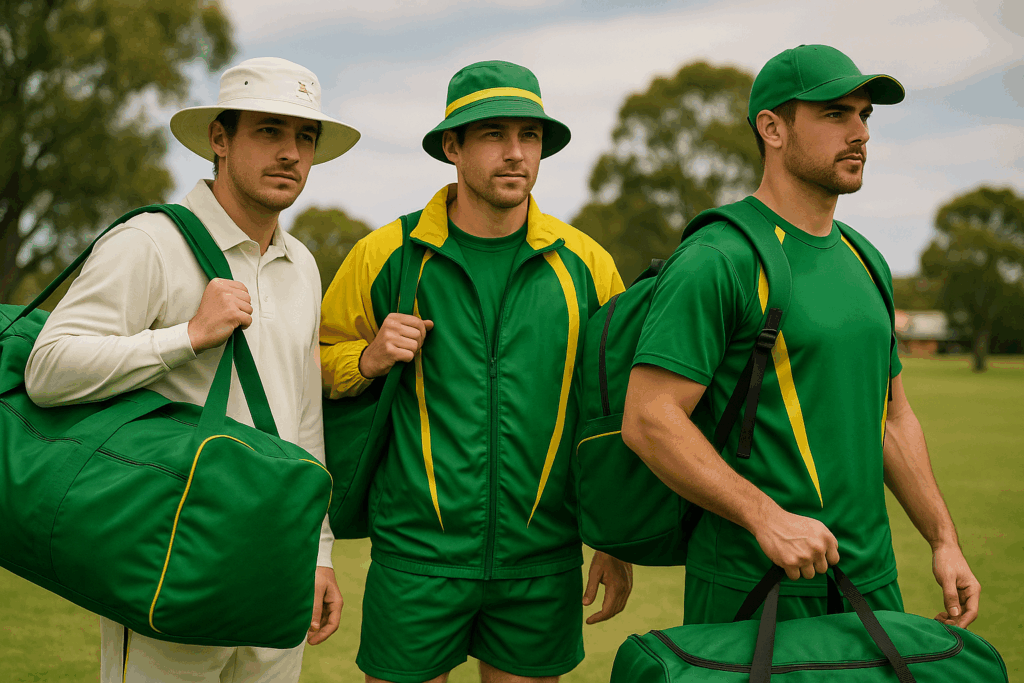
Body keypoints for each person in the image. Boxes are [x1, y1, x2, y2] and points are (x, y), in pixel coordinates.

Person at [24, 56, 359, 683]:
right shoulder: (151, 242)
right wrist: (187, 337)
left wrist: (318, 552)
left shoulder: (305, 264)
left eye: (304, 137)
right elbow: (48, 368)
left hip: (277, 555)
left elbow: (303, 419)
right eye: (268, 131)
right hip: (171, 550)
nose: (290, 153)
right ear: (219, 138)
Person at [622, 44, 981, 626]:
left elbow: (892, 419)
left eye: (865, 115)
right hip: (753, 586)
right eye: (835, 115)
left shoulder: (868, 261)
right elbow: (649, 418)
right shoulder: (718, 256)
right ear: (772, 128)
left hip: (871, 585)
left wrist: (943, 539)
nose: (859, 132)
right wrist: (765, 517)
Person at [320, 60, 632, 683]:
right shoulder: (385, 254)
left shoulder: (587, 264)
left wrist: (617, 539)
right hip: (416, 561)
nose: (515, 153)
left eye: (530, 136)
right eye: (493, 134)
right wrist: (366, 357)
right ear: (452, 147)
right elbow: (313, 368)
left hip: (542, 563)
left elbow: (615, 411)